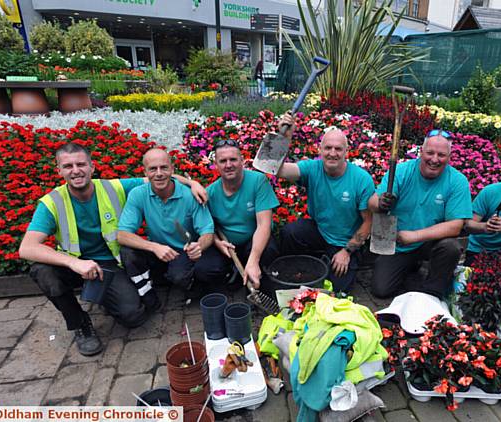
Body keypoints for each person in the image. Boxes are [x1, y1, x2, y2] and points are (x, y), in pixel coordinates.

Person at [18, 143, 204, 356]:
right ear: (59, 170)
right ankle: (81, 325)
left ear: (92, 167)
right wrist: (74, 263)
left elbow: (159, 177)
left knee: (133, 317)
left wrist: (192, 183)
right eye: (68, 166)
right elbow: (27, 248)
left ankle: (108, 296)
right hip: (74, 265)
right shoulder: (52, 202)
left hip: (110, 265)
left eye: (81, 164)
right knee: (42, 271)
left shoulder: (113, 187)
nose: (76, 170)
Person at [368, 129, 472, 299]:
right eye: (430, 153)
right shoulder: (401, 171)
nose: (435, 159)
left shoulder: (457, 181)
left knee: (451, 247)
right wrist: (380, 202)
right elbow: (372, 204)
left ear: (449, 156)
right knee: (381, 290)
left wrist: (415, 236)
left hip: (428, 241)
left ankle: (432, 292)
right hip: (397, 241)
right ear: (421, 152)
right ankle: (411, 272)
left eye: (441, 155)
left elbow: (456, 226)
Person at [276, 113, 374, 293]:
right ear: (319, 150)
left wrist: (347, 252)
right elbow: (278, 170)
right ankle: (291, 270)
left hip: (345, 242)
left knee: (337, 293)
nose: (332, 153)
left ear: (347, 152)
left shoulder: (361, 180)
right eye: (328, 148)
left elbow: (368, 222)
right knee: (291, 232)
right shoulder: (312, 168)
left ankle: (341, 261)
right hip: (319, 231)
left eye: (338, 149)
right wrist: (284, 138)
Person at [117, 149, 214, 306]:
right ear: (145, 172)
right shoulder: (138, 194)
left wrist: (199, 246)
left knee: (179, 276)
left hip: (183, 251)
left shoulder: (190, 195)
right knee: (127, 252)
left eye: (164, 167)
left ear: (172, 169)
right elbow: (122, 235)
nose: (159, 173)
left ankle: (189, 285)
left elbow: (207, 232)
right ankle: (146, 292)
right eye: (153, 169)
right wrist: (154, 247)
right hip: (157, 249)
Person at [199, 139, 280, 290]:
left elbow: (264, 225)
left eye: (233, 159)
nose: (228, 165)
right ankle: (232, 274)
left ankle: (260, 280)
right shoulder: (210, 193)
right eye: (223, 161)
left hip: (255, 240)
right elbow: (208, 227)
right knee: (204, 268)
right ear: (216, 165)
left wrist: (254, 260)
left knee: (267, 251)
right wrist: (217, 242)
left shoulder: (258, 181)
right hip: (228, 246)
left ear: (242, 160)